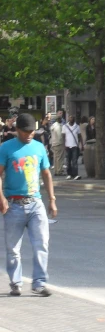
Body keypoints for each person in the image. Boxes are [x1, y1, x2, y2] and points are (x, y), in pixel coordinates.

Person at [0, 113, 57, 296]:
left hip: (35, 204)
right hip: (13, 205)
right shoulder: (6, 148)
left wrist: (52, 200)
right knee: (13, 249)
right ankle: (16, 282)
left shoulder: (39, 148)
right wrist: (1, 198)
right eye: (26, 131)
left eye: (32, 131)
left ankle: (39, 283)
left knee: (41, 244)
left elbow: (47, 174)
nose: (30, 134)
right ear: (17, 130)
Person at [63, 116, 81, 180]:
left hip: (75, 146)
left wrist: (81, 145)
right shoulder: (65, 127)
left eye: (72, 118)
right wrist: (64, 145)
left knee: (74, 161)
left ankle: (75, 174)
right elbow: (63, 136)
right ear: (68, 119)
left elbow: (79, 136)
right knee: (68, 161)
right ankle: (69, 174)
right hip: (67, 146)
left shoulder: (77, 127)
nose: (71, 119)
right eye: (70, 118)